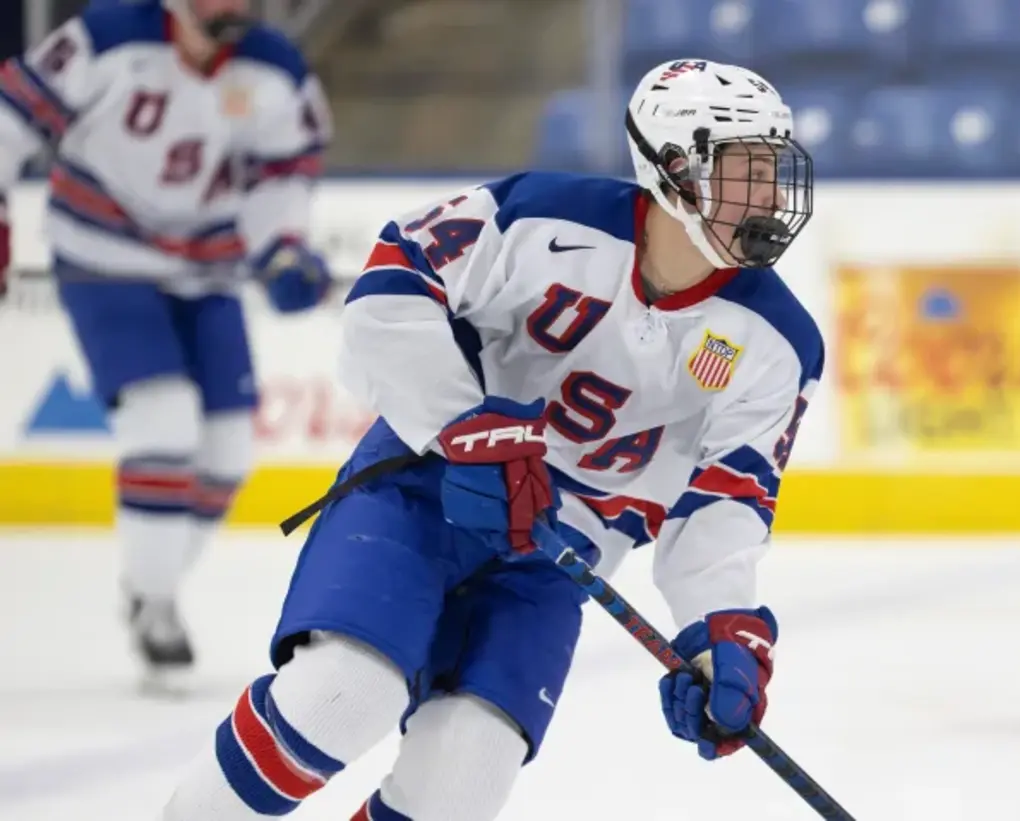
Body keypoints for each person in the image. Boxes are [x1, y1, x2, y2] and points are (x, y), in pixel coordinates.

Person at [161, 58, 823, 821]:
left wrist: (719, 636)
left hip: (554, 559)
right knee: (344, 694)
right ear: (675, 170)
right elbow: (389, 288)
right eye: (749, 169)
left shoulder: (779, 343)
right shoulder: (542, 217)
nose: (772, 195)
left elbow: (725, 502)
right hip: (424, 494)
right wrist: (458, 421)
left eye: (776, 169)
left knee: (460, 783)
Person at [0, 0, 333, 677]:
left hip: (207, 272)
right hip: (104, 260)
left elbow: (283, 174)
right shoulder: (106, 38)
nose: (231, 5)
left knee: (231, 451)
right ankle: (156, 605)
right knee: (164, 425)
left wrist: (282, 249)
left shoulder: (276, 70)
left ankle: (149, 587)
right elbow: (11, 117)